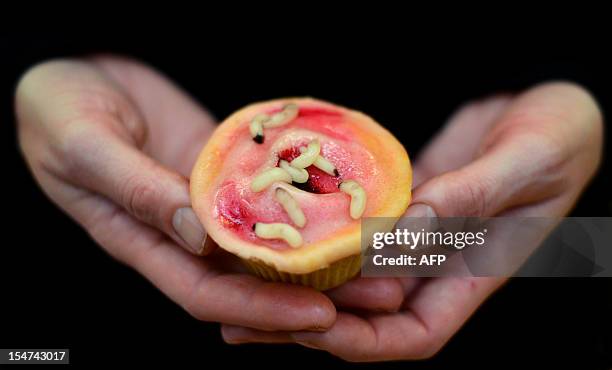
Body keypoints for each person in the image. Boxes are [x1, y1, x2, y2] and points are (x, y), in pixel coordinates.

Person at [16, 56, 603, 362]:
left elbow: (581, 247)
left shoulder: (554, 236)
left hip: (507, 275)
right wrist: (31, 69)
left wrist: (567, 239)